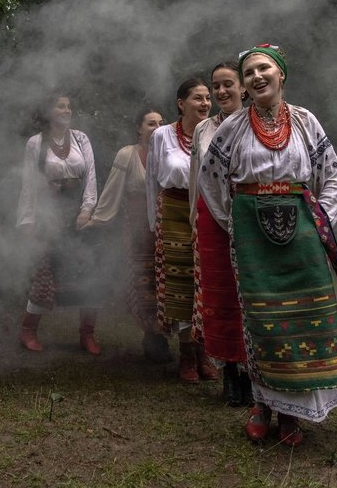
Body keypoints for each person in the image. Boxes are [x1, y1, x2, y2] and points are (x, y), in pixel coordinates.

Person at [198, 44, 337, 447]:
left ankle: (292, 414)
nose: (257, 77)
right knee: (264, 322)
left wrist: (318, 223)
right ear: (244, 85)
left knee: (303, 320)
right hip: (250, 235)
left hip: (303, 234)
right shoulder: (232, 128)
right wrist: (234, 223)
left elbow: (331, 175)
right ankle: (262, 406)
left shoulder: (307, 121)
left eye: (264, 69)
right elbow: (210, 180)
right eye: (249, 73)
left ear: (281, 75)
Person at [16, 94, 102, 355]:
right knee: (45, 273)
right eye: (60, 106)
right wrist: (28, 221)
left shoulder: (81, 138)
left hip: (77, 213)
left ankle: (87, 334)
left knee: (88, 272)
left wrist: (87, 209)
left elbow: (90, 176)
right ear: (48, 112)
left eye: (69, 106)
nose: (67, 110)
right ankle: (28, 330)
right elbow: (29, 184)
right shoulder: (36, 142)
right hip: (48, 213)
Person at [84, 108, 171, 362]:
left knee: (164, 281)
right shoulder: (127, 154)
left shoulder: (169, 153)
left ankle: (163, 335)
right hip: (136, 229)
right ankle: (152, 337)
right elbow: (113, 189)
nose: (156, 127)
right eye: (150, 123)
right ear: (139, 128)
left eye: (160, 123)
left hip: (165, 226)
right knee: (143, 282)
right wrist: (97, 219)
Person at [146, 78, 218, 383]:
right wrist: (154, 223)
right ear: (181, 103)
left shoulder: (216, 132)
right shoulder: (162, 135)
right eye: (197, 98)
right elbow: (152, 180)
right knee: (181, 288)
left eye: (207, 98)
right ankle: (187, 353)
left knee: (207, 285)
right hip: (174, 213)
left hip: (207, 211)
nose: (204, 103)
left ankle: (205, 352)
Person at [188, 61, 252, 406]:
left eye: (228, 84)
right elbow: (196, 176)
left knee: (251, 296)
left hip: (249, 218)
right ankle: (229, 371)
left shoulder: (256, 122)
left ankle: (252, 371)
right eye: (216, 86)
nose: (222, 91)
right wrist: (192, 218)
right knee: (221, 299)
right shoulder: (203, 130)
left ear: (243, 88)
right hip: (211, 220)